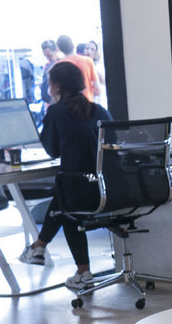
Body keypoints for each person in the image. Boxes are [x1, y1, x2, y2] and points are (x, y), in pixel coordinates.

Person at [18, 61, 111, 288]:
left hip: (84, 194)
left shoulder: (57, 112)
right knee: (65, 196)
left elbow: (52, 150)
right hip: (111, 189)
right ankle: (39, 247)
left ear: (56, 86)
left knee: (65, 205)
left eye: (48, 82)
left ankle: (77, 268)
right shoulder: (100, 110)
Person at [55, 35, 100, 103]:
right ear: (73, 45)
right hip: (87, 104)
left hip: (68, 105)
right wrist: (87, 88)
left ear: (59, 49)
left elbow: (54, 90)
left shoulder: (58, 65)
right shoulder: (88, 61)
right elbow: (98, 90)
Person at [39, 39, 59, 107]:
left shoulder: (62, 65)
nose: (48, 58)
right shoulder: (47, 66)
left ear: (56, 50)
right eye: (46, 56)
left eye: (50, 55)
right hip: (50, 104)